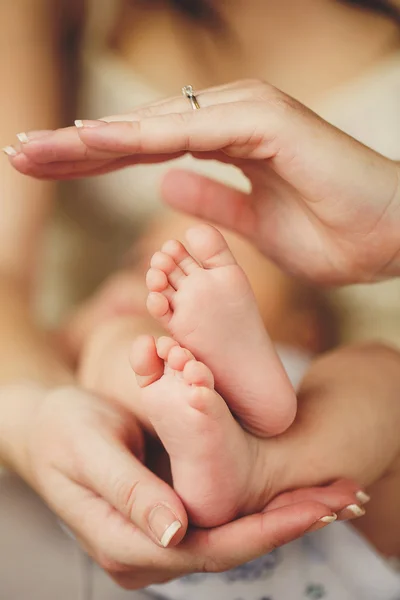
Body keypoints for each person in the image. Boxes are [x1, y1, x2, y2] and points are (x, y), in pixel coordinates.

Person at [1, 0, 400, 595]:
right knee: (380, 377)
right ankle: (255, 454)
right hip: (171, 454)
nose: (151, 282)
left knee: (382, 372)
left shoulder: (311, 365)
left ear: (308, 324)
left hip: (299, 444)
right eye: (142, 263)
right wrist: (36, 406)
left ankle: (262, 457)